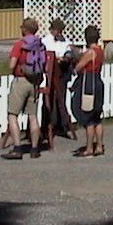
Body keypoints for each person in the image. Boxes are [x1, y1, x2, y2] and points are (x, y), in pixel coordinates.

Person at [1, 17, 45, 160]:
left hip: (21, 80)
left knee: (12, 114)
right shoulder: (39, 44)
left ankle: (17, 148)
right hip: (35, 82)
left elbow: (12, 65)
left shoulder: (20, 44)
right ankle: (34, 149)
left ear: (24, 29)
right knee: (32, 116)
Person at [70, 24, 106, 158]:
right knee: (97, 116)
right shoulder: (100, 51)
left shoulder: (90, 52)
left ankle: (89, 148)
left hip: (88, 83)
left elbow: (78, 68)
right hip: (98, 81)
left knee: (88, 117)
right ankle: (99, 146)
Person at [42, 18, 76, 147]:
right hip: (49, 73)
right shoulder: (45, 41)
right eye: (58, 31)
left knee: (61, 99)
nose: (60, 33)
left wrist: (67, 57)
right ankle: (46, 126)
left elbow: (68, 51)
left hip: (61, 72)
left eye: (61, 31)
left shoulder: (65, 41)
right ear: (52, 30)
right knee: (48, 100)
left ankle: (62, 125)